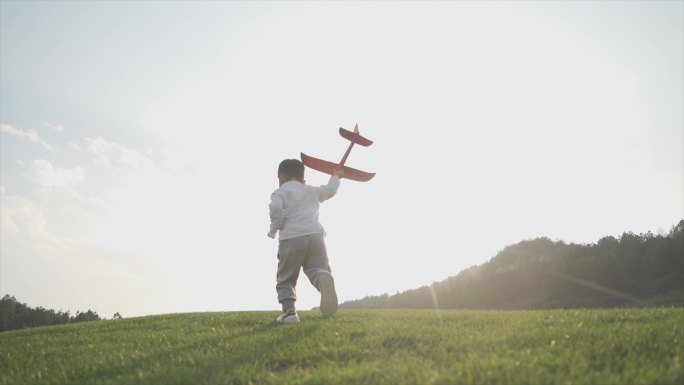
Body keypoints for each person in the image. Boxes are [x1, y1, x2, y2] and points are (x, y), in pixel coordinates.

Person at [268, 158, 344, 324]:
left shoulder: (279, 193)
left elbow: (275, 209)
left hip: (291, 238)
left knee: (286, 277)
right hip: (316, 236)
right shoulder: (310, 190)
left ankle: (289, 313)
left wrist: (274, 229)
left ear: (280, 178)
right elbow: (330, 190)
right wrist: (336, 176)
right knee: (317, 269)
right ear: (303, 179)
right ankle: (322, 278)